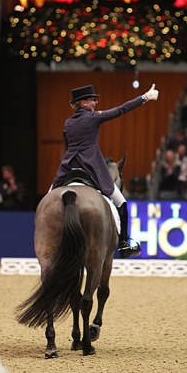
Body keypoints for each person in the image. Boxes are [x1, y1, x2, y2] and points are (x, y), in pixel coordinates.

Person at [50, 83, 159, 258]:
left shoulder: (67, 123)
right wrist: (145, 97)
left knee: (49, 200)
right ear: (83, 103)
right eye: (92, 100)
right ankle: (124, 245)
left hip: (68, 166)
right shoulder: (93, 117)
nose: (95, 103)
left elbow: (67, 146)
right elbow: (121, 110)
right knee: (121, 202)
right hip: (91, 166)